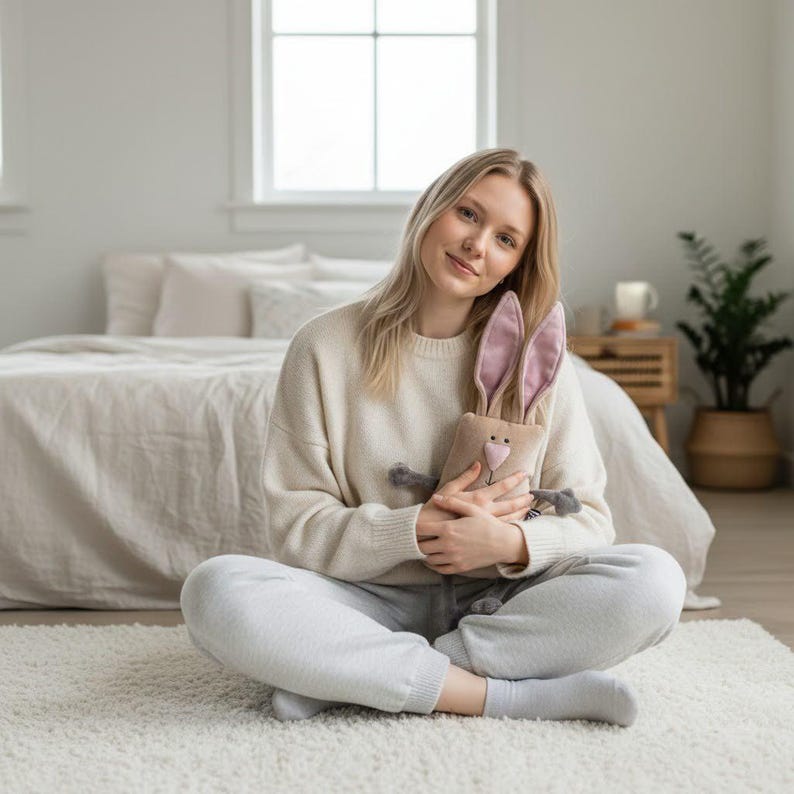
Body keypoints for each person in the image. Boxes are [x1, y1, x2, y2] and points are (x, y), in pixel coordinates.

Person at [180, 148, 687, 727]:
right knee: (216, 589)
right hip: (365, 601)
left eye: (505, 239)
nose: (478, 244)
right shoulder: (323, 346)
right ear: (431, 209)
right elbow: (297, 528)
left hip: (504, 604)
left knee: (653, 581)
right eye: (469, 215)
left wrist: (510, 546)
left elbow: (591, 519)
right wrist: (417, 529)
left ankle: (357, 677)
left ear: (516, 265)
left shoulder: (538, 360)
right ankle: (500, 696)